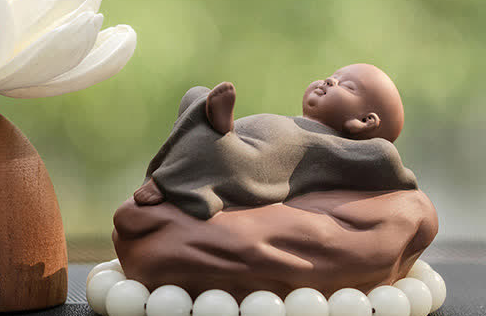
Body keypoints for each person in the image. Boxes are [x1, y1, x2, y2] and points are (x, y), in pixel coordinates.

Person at [133, 64, 416, 220]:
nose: (330, 81)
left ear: (365, 121)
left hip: (249, 165)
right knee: (195, 95)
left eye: (347, 87)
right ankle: (214, 128)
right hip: (234, 139)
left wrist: (405, 181)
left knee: (217, 149)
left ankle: (171, 177)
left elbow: (383, 157)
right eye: (334, 75)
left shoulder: (331, 146)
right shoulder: (294, 121)